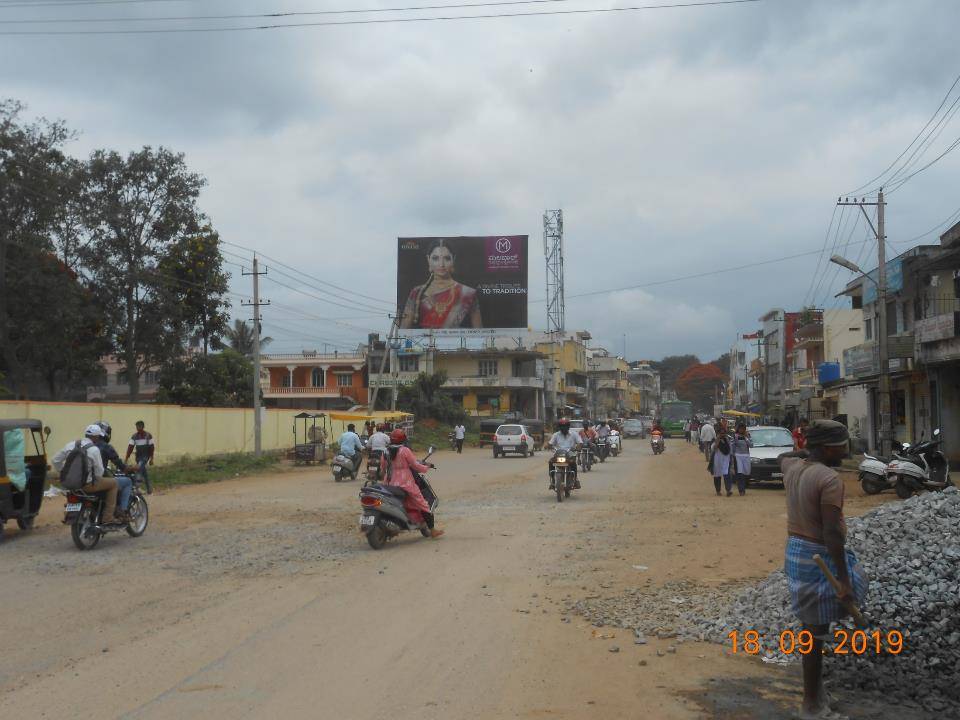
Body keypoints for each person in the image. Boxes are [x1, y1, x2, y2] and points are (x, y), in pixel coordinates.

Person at [779, 420, 867, 720]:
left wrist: (806, 452)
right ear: (829, 447)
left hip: (796, 553)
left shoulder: (792, 468)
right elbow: (832, 533)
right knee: (814, 634)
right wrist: (843, 580)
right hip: (818, 554)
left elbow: (785, 457)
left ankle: (816, 693)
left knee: (812, 628)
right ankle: (811, 705)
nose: (845, 450)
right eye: (842, 445)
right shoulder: (829, 479)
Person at [399, 239, 482, 329]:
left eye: (446, 258)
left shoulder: (467, 293)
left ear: (453, 259)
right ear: (428, 259)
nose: (441, 264)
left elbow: (478, 333)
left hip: (458, 343)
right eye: (435, 258)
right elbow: (404, 331)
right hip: (425, 342)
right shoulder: (417, 292)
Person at [381, 429, 444, 538]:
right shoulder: (404, 450)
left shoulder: (386, 451)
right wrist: (426, 467)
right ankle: (432, 530)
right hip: (405, 482)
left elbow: (383, 467)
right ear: (404, 439)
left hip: (389, 482)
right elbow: (415, 466)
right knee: (423, 504)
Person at [53, 425, 119, 520]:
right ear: (96, 437)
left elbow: (55, 460)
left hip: (68, 484)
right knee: (114, 483)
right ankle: (108, 517)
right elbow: (99, 472)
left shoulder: (70, 445)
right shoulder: (94, 450)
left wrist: (64, 472)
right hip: (86, 485)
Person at [94, 421, 133, 521]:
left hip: (84, 481)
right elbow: (119, 464)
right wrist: (130, 468)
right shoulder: (106, 447)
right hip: (98, 480)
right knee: (127, 482)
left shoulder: (84, 445)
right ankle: (122, 511)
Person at [547, 418, 581, 490]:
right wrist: (549, 445)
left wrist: (577, 447)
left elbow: (580, 443)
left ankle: (575, 479)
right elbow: (550, 443)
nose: (564, 428)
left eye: (565, 426)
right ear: (559, 427)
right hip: (559, 454)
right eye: (562, 426)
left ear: (568, 426)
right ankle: (553, 480)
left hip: (570, 454)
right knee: (551, 462)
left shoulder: (574, 434)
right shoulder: (556, 435)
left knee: (573, 463)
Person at [124, 421, 155, 495]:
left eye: (139, 426)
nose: (138, 428)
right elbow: (130, 448)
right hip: (138, 457)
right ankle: (149, 489)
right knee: (144, 472)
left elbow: (152, 448)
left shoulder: (148, 436)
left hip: (145, 456)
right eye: (137, 427)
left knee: (139, 469)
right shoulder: (134, 436)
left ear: (143, 427)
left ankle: (137, 487)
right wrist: (126, 458)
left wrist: (151, 458)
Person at [709, 420, 732, 496]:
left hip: (726, 459)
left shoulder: (727, 439)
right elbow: (714, 448)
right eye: (721, 433)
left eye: (723, 433)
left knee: (727, 475)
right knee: (717, 475)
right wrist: (718, 440)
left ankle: (728, 490)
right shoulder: (715, 440)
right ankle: (718, 491)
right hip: (717, 460)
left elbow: (730, 449)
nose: (722, 434)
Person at [730, 422, 753, 496]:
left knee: (746, 472)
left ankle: (744, 487)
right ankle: (741, 490)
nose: (742, 430)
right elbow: (732, 445)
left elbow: (751, 445)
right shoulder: (735, 436)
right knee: (740, 473)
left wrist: (746, 438)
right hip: (738, 456)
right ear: (738, 429)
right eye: (740, 428)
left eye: (743, 429)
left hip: (746, 455)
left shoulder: (748, 436)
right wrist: (732, 455)